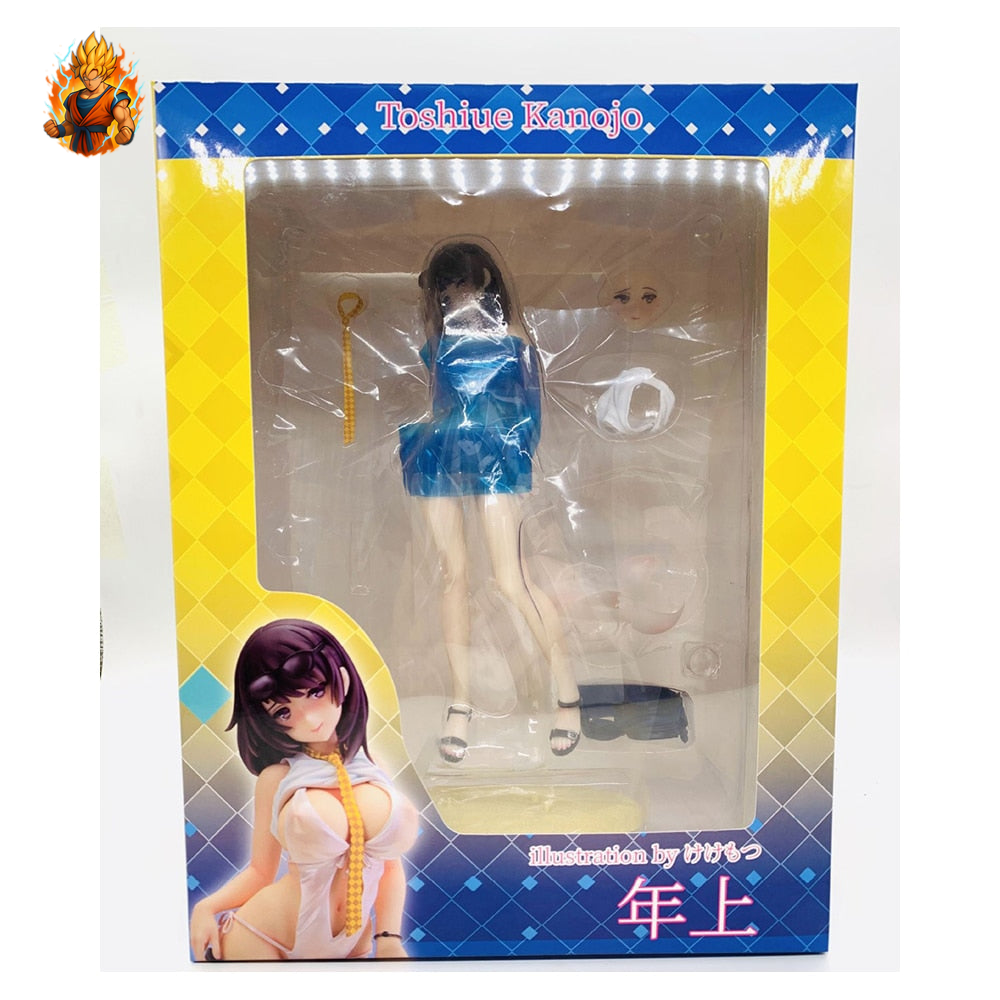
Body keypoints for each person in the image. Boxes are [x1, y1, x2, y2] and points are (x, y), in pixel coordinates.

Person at [398, 237, 581, 761]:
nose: (457, 296)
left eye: (465, 284)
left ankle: (566, 692)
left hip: (498, 452)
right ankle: (460, 700)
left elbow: (531, 407)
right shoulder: (437, 334)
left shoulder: (512, 333)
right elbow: (436, 395)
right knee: (452, 575)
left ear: (484, 282)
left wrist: (518, 453)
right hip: (440, 452)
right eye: (447, 288)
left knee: (510, 579)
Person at [188, 618, 418, 961]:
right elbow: (260, 872)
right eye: (283, 712)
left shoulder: (373, 765)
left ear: (341, 678)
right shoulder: (277, 778)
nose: (309, 719)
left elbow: (389, 868)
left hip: (352, 942)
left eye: (315, 692)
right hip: (264, 936)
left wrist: (388, 938)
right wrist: (205, 907)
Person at [43, 32, 135, 155]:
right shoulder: (73, 98)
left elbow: (124, 120)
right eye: (85, 78)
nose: (89, 83)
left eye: (94, 78)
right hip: (75, 149)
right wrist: (58, 130)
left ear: (104, 74)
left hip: (100, 149)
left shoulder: (113, 96)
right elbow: (70, 124)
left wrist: (126, 133)